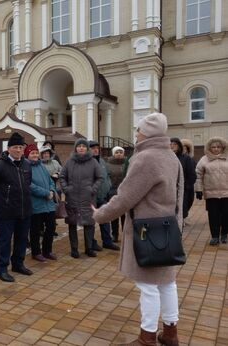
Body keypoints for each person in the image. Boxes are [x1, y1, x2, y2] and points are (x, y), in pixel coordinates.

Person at [93, 112, 183, 346]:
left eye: (138, 129)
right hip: (167, 230)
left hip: (147, 233)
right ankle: (171, 333)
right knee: (167, 283)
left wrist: (99, 215)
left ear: (147, 132)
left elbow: (125, 198)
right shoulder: (171, 157)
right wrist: (178, 226)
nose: (136, 134)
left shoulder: (144, 159)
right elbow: (180, 196)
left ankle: (147, 337)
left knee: (149, 287)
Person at [0, 132, 33, 282]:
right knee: (5, 242)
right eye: (15, 147)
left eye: (21, 147)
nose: (18, 150)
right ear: (9, 148)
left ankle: (18, 264)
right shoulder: (0, 166)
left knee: (21, 239)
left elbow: (27, 185)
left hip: (24, 210)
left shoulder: (26, 164)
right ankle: (1, 269)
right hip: (6, 211)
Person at [59, 139, 103, 258]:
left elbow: (99, 178)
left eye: (84, 146)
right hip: (72, 197)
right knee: (72, 224)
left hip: (88, 198)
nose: (82, 148)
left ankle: (89, 248)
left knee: (89, 224)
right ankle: (74, 249)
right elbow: (62, 177)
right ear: (76, 148)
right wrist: (66, 189)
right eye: (79, 146)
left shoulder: (93, 162)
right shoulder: (69, 162)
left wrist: (92, 189)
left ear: (87, 148)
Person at [25, 144, 58, 262]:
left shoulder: (42, 165)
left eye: (35, 153)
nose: (35, 155)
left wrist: (51, 190)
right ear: (27, 155)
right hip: (36, 204)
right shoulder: (26, 167)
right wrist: (45, 193)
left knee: (51, 227)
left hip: (48, 204)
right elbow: (29, 185)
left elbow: (50, 180)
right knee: (35, 230)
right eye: (32, 153)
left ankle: (47, 250)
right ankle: (36, 252)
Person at [195, 137, 228, 245]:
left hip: (226, 193)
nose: (216, 149)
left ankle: (224, 235)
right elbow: (198, 176)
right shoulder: (204, 159)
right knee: (213, 216)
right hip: (211, 194)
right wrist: (198, 190)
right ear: (209, 148)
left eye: (218, 147)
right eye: (213, 147)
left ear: (222, 147)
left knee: (226, 215)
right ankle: (214, 236)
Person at [89, 141, 119, 251]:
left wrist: (108, 187)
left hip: (103, 195)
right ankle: (91, 242)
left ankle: (107, 241)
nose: (95, 150)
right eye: (93, 148)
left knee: (105, 218)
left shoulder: (102, 161)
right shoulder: (87, 162)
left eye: (97, 148)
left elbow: (107, 176)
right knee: (91, 221)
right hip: (92, 197)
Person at [171, 137, 197, 221]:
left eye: (174, 144)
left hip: (182, 190)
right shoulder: (165, 158)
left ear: (179, 146)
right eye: (170, 144)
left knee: (181, 212)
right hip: (168, 190)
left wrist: (185, 187)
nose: (172, 146)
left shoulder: (185, 158)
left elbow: (192, 175)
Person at [106, 146, 126, 243]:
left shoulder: (127, 164)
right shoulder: (108, 164)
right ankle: (114, 235)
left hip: (125, 192)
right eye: (117, 152)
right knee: (114, 215)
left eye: (120, 152)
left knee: (125, 216)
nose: (119, 154)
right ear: (113, 154)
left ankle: (126, 234)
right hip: (112, 192)